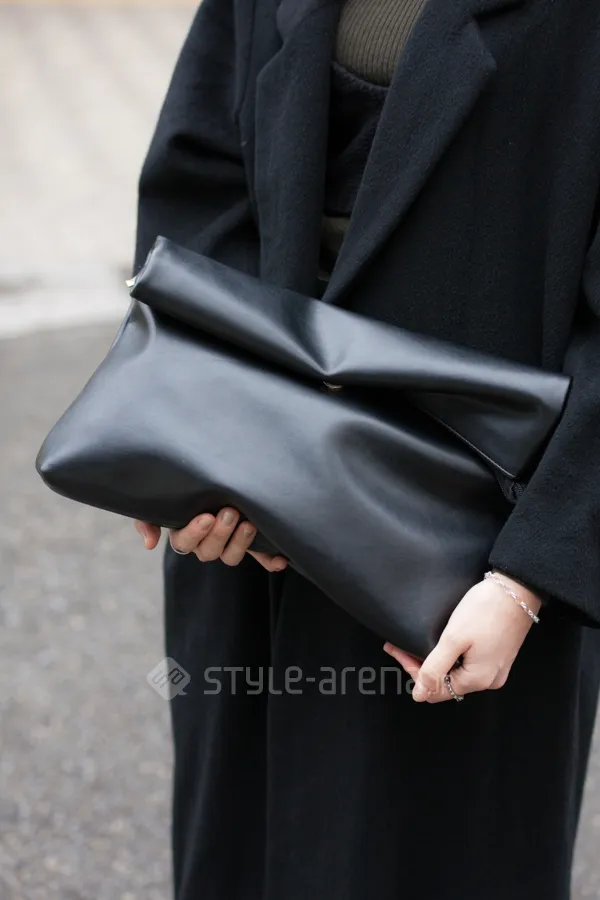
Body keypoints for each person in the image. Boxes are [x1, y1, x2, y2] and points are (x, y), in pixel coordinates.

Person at [132, 0, 600, 897]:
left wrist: (530, 576)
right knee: (244, 848)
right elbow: (200, 180)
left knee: (429, 855)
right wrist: (191, 440)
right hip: (250, 504)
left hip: (468, 543)